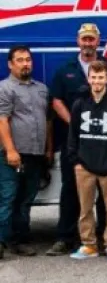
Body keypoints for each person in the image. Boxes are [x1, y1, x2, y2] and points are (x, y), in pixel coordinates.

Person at [50, 23, 107, 255]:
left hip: (104, 144)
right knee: (70, 190)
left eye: (92, 39)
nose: (88, 43)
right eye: (84, 39)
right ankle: (65, 237)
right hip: (77, 143)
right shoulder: (65, 70)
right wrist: (75, 125)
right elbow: (56, 100)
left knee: (104, 196)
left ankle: (101, 238)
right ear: (78, 41)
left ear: (98, 41)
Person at [66, 60, 107, 260]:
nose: (97, 81)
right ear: (88, 78)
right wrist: (76, 159)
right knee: (85, 208)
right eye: (93, 77)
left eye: (101, 77)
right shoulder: (79, 104)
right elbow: (73, 134)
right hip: (84, 165)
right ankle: (89, 245)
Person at [0, 45, 51, 257]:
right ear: (10, 64)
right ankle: (2, 242)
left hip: (36, 154)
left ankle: (20, 240)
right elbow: (2, 120)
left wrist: (48, 149)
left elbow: (48, 121)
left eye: (28, 59)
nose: (25, 64)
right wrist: (10, 150)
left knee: (26, 199)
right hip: (13, 155)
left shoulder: (41, 89)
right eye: (20, 60)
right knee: (8, 198)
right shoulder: (5, 88)